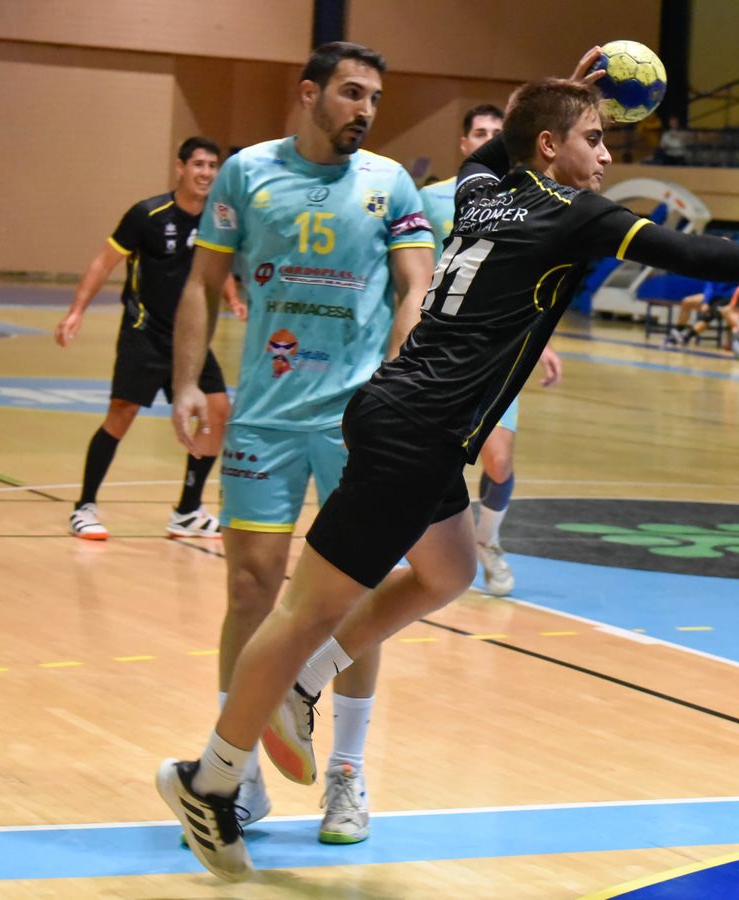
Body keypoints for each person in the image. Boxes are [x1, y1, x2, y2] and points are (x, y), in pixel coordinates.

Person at [156, 52, 739, 882]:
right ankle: (208, 779)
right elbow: (692, 253)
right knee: (305, 609)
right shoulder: (577, 214)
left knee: (449, 569)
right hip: (415, 428)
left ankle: (304, 685)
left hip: (408, 420)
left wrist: (560, 89)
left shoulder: (483, 192)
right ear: (549, 148)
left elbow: (493, 150)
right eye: (594, 138)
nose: (606, 155)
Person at [166, 42, 438, 847]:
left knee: (349, 599)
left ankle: (348, 774)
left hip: (359, 423)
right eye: (351, 93)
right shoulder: (245, 174)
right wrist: (186, 385)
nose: (364, 109)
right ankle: (237, 773)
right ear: (309, 93)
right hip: (266, 417)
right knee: (251, 591)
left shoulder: (390, 184)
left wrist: (397, 390)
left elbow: (415, 287)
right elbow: (202, 285)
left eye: (375, 99)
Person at [56, 137, 242, 541]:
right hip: (144, 334)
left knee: (218, 412)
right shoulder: (147, 214)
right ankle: (84, 506)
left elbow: (217, 264)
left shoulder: (217, 217)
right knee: (122, 414)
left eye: (213, 166)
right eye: (199, 164)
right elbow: (103, 262)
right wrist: (77, 311)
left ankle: (188, 511)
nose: (206, 173)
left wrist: (233, 298)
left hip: (190, 340)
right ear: (180, 167)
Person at [421, 102, 564, 597]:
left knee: (498, 461)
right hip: (438, 354)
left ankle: (488, 542)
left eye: (497, 132)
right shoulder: (430, 200)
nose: (488, 138)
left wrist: (540, 342)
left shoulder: (532, 202)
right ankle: (432, 540)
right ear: (466, 145)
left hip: (500, 353)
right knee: (433, 458)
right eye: (480, 132)